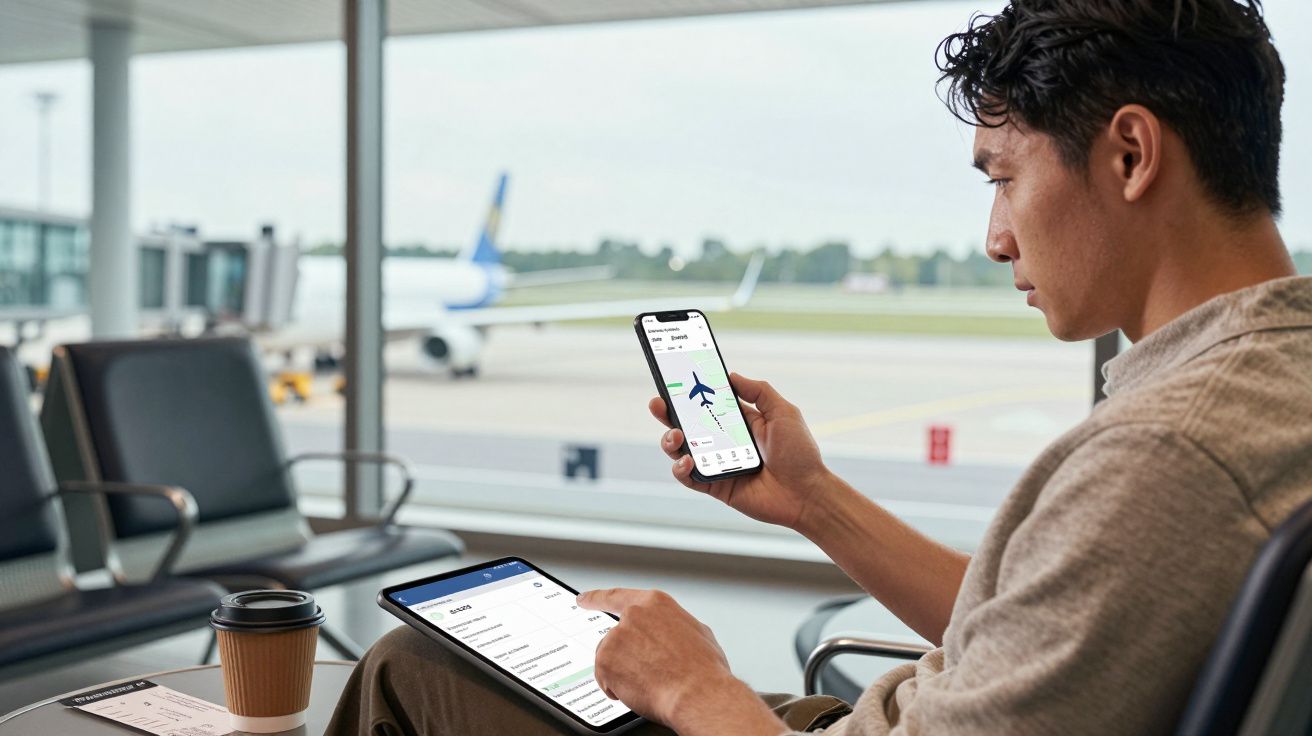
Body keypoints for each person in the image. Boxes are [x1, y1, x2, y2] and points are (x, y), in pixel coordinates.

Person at [328, 1, 1310, 733]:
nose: (994, 237)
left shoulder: (1165, 455)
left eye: (1004, 178)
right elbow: (1042, 630)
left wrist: (694, 685)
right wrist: (810, 499)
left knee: (413, 665)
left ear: (1131, 154)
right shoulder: (1268, 381)